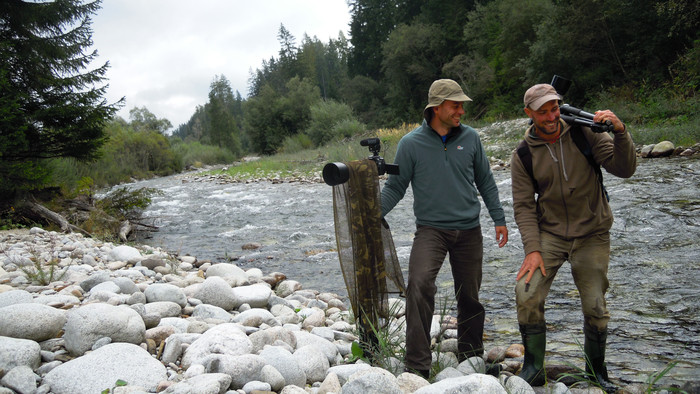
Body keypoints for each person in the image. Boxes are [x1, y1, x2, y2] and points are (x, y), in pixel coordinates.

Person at [510, 83, 636, 391]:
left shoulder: (586, 133)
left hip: (592, 232)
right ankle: (533, 367)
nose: (552, 115)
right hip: (549, 233)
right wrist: (532, 249)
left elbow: (625, 168)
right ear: (529, 114)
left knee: (595, 304)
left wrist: (620, 132)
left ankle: (597, 372)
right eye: (543, 111)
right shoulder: (523, 155)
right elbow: (524, 208)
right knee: (526, 292)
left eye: (555, 108)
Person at [380, 79, 509, 379]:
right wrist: (372, 215)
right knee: (419, 284)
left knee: (470, 296)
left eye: (461, 105)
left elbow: (486, 181)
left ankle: (470, 357)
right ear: (437, 108)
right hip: (431, 230)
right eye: (455, 105)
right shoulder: (410, 144)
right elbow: (395, 187)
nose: (461, 110)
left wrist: (498, 218)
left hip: (469, 230)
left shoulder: (471, 138)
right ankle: (417, 365)